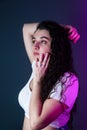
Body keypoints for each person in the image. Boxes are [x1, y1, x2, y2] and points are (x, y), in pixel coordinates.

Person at [18, 20, 80, 130]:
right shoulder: (37, 67)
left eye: (43, 41)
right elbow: (26, 29)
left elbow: (36, 124)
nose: (35, 46)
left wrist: (37, 81)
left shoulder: (68, 80)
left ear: (56, 46)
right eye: (34, 40)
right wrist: (61, 27)